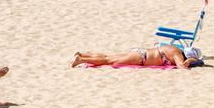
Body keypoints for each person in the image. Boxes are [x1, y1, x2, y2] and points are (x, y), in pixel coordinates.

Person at [71, 44, 202, 69]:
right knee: (108, 61)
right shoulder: (178, 54)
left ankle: (83, 54)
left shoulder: (173, 48)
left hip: (141, 51)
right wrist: (191, 61)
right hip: (142, 58)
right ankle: (81, 59)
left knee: (108, 56)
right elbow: (182, 67)